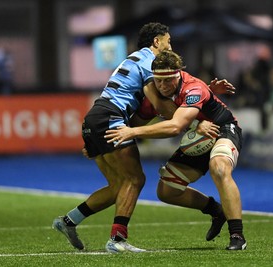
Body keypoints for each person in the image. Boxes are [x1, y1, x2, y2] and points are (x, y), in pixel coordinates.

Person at [52, 22, 232, 253]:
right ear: (157, 41)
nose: (170, 45)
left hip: (94, 118)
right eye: (168, 40)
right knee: (135, 180)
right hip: (112, 118)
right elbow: (161, 104)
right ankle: (117, 240)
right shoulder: (150, 63)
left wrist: (94, 140)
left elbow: (166, 100)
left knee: (118, 186)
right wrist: (198, 120)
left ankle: (68, 221)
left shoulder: (133, 59)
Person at [105, 50, 247, 250]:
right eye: (158, 81)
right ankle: (217, 211)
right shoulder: (155, 96)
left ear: (179, 75)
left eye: (168, 80)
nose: (162, 86)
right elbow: (136, 121)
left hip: (222, 129)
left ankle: (237, 236)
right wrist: (96, 141)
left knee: (220, 168)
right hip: (197, 137)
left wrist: (131, 132)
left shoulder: (195, 88)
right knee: (167, 191)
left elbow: (175, 127)